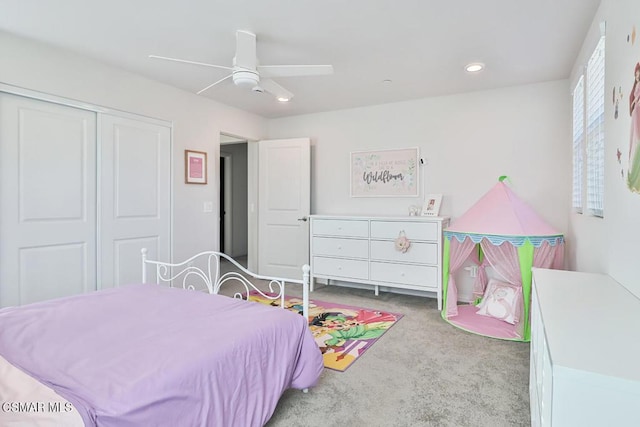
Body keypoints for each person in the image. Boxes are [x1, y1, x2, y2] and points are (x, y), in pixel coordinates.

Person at [627, 62, 640, 192]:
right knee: (635, 137)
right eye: (635, 75)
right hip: (636, 110)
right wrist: (634, 104)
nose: (637, 77)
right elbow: (634, 99)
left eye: (638, 75)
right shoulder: (636, 86)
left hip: (637, 110)